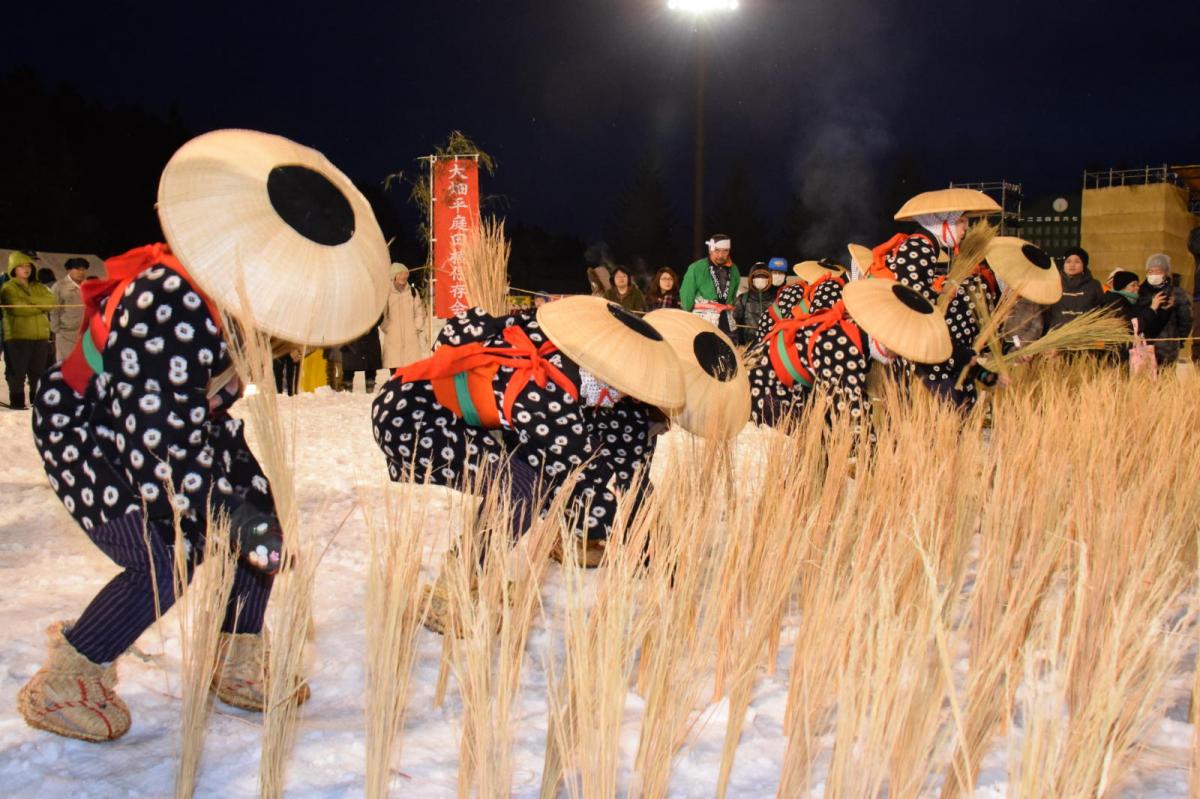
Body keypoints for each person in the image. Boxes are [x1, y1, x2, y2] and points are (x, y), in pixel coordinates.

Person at [18, 129, 390, 742]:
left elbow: (197, 422)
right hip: (91, 433)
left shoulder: (238, 303)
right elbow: (159, 441)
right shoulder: (172, 301)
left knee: (259, 519)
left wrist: (249, 511)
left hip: (176, 430)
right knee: (165, 556)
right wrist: (225, 509)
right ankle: (68, 674)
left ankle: (235, 655)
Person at [372, 297, 686, 631]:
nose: (621, 398)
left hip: (417, 402)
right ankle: (454, 591)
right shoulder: (550, 398)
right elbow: (580, 487)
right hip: (415, 421)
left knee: (525, 480)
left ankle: (476, 575)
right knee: (521, 489)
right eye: (622, 391)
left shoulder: (555, 349)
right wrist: (649, 545)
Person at [1, 250, 55, 409]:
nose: (26, 269)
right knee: (17, 373)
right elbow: (18, 309)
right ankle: (17, 403)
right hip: (17, 336)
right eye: (21, 266)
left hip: (40, 336)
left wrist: (30, 301)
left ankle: (37, 402)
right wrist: (39, 306)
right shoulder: (8, 288)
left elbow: (50, 303)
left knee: (38, 373)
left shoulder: (39, 286)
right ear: (13, 268)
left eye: (28, 266)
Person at [680, 234, 741, 337]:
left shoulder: (734, 270)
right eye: (717, 250)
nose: (721, 255)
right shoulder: (697, 268)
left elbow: (733, 296)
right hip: (702, 321)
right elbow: (686, 298)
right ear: (710, 250)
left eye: (725, 251)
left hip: (726, 321)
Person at [1137, 253, 1192, 366]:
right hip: (1144, 347)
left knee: (1167, 378)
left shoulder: (1176, 293)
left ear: (1166, 273)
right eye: (1150, 272)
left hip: (1168, 349)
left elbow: (1186, 320)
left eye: (1158, 271)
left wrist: (1179, 340)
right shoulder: (1140, 291)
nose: (1154, 275)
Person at [1105, 270, 1172, 361]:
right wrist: (1152, 309)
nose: (1137, 288)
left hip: (1134, 354)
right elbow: (1131, 327)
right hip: (1119, 356)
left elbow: (1151, 329)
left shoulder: (1134, 303)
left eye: (1138, 284)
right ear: (1122, 288)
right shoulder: (1113, 303)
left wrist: (1164, 310)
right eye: (1133, 285)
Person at [1045, 246, 1103, 331]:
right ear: (1063, 264)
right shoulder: (1053, 283)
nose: (1072, 265)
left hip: (1084, 333)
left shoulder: (1094, 285)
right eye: (1068, 261)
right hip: (1057, 334)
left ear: (1084, 265)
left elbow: (1100, 310)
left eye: (1077, 261)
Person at [381, 262, 426, 370]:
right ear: (394, 276)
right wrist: (388, 328)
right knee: (395, 371)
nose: (403, 276)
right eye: (400, 273)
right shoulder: (387, 293)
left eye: (405, 273)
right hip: (393, 338)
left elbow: (419, 311)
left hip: (410, 337)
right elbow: (383, 315)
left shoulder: (413, 292)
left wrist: (416, 327)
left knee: (410, 371)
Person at [50, 257, 90, 362]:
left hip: (86, 333)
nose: (81, 272)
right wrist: (56, 330)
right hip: (66, 334)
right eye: (77, 269)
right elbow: (54, 310)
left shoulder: (88, 286)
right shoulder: (59, 286)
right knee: (66, 364)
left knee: (84, 364)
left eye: (84, 269)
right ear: (69, 270)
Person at [734, 264, 774, 346]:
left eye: (764, 277)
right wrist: (740, 345)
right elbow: (735, 324)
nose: (760, 279)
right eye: (757, 276)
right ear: (751, 279)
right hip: (748, 346)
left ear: (769, 279)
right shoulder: (742, 299)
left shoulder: (775, 300)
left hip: (770, 345)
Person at [342, 314, 384, 391]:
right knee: (349, 367)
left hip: (369, 335)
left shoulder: (373, 302)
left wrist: (370, 325)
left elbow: (380, 315)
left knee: (370, 365)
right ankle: (347, 392)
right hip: (351, 334)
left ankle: (369, 390)